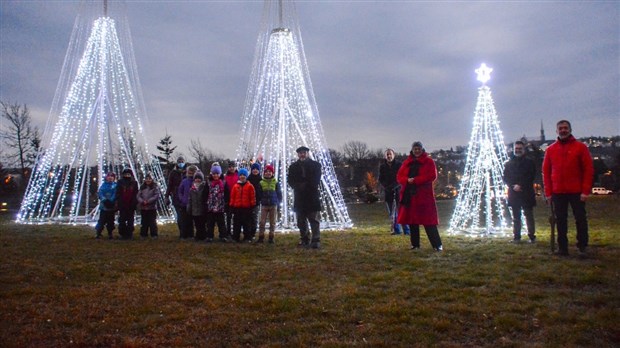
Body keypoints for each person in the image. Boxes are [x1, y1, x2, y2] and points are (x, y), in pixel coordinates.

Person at [543, 120, 594, 256]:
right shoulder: (550, 150)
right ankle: (562, 248)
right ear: (556, 131)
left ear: (570, 130)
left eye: (565, 128)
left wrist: (585, 190)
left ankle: (582, 246)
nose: (563, 130)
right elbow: (546, 173)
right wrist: (548, 193)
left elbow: (588, 170)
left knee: (580, 219)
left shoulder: (581, 147)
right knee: (560, 221)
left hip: (576, 191)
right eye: (560, 128)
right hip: (558, 192)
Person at [397, 141, 443, 251]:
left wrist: (416, 180)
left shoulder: (429, 161)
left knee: (429, 221)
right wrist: (407, 180)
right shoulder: (407, 162)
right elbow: (399, 176)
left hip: (424, 196)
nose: (416, 151)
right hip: (410, 196)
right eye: (415, 149)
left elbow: (432, 175)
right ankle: (415, 244)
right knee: (413, 221)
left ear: (422, 150)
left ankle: (437, 244)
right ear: (412, 150)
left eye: (418, 149)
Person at [288, 146, 322, 249]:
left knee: (314, 219)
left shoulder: (316, 165)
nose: (302, 154)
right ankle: (304, 238)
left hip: (311, 196)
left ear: (307, 153)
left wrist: (306, 185)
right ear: (298, 154)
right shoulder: (293, 167)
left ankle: (316, 240)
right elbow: (290, 180)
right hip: (299, 197)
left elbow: (316, 179)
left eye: (304, 152)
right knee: (301, 220)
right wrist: (298, 186)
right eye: (300, 153)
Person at [504, 141, 537, 243]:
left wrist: (520, 185)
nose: (517, 150)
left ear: (523, 149)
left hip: (526, 192)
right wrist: (513, 185)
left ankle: (532, 236)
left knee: (529, 216)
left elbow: (531, 176)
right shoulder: (508, 163)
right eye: (516, 149)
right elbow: (505, 177)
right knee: (516, 217)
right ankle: (516, 237)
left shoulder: (529, 162)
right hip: (514, 193)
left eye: (519, 148)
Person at [378, 148, 410, 235]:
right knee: (392, 213)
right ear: (385, 156)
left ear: (393, 155)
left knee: (402, 212)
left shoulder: (399, 165)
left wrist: (395, 186)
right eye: (387, 154)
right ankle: (396, 230)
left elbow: (403, 177)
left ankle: (407, 230)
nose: (389, 156)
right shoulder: (382, 167)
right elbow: (381, 179)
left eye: (390, 154)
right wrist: (386, 187)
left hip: (399, 191)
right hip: (388, 192)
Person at [257, 164, 282, 244]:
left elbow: (279, 193)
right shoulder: (261, 183)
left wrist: (278, 202)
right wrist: (261, 200)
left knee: (272, 222)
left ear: (272, 173)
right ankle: (261, 236)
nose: (268, 173)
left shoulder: (275, 182)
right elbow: (259, 193)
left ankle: (271, 237)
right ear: (264, 173)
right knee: (262, 222)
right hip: (264, 205)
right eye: (266, 172)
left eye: (270, 172)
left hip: (273, 205)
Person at [229, 168, 256, 242]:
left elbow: (252, 197)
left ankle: (247, 237)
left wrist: (252, 206)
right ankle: (235, 237)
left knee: (246, 224)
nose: (242, 176)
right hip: (237, 208)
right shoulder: (235, 186)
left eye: (244, 175)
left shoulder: (250, 186)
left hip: (246, 208)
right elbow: (232, 197)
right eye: (240, 175)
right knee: (236, 224)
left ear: (246, 176)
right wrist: (231, 206)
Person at [206, 164, 229, 242]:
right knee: (210, 223)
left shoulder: (224, 183)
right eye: (214, 174)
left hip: (220, 206)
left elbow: (227, 194)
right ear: (211, 174)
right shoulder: (208, 183)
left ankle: (223, 236)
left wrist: (226, 203)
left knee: (221, 222)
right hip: (210, 206)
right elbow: (205, 194)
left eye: (217, 174)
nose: (215, 175)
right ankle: (209, 236)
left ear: (220, 174)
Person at [166, 156, 187, 239]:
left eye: (182, 161)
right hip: (176, 196)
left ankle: (188, 233)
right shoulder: (173, 173)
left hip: (186, 196)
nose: (181, 162)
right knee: (179, 216)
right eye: (179, 161)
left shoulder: (188, 172)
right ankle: (182, 232)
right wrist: (167, 196)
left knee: (186, 216)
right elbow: (170, 185)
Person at [116, 168, 139, 240]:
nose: (127, 175)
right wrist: (120, 202)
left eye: (128, 174)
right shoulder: (120, 182)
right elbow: (118, 193)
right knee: (122, 219)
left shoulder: (134, 183)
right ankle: (122, 233)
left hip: (131, 204)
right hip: (122, 204)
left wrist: (134, 203)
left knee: (130, 220)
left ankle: (129, 233)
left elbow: (136, 193)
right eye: (125, 174)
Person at [177, 165, 198, 239]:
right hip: (184, 204)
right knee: (184, 221)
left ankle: (191, 235)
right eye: (189, 173)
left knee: (191, 221)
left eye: (192, 174)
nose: (191, 175)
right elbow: (180, 191)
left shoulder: (197, 182)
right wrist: (182, 199)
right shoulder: (184, 181)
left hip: (193, 204)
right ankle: (183, 235)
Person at [137, 172, 160, 239]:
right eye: (147, 179)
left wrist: (148, 201)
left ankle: (154, 234)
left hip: (151, 207)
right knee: (144, 222)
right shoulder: (142, 187)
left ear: (152, 179)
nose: (148, 180)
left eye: (149, 179)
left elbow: (156, 196)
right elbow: (138, 196)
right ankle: (143, 234)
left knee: (152, 221)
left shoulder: (155, 187)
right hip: (143, 207)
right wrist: (142, 201)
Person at [95, 172, 117, 239]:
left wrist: (111, 200)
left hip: (112, 206)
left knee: (111, 221)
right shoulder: (103, 185)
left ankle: (110, 233)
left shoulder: (115, 185)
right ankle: (98, 233)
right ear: (106, 177)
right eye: (109, 176)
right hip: (104, 206)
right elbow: (100, 193)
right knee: (102, 220)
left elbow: (115, 193)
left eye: (112, 176)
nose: (110, 177)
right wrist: (104, 200)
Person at [187, 171, 207, 241]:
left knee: (202, 224)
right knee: (197, 224)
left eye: (199, 178)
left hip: (202, 209)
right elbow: (190, 199)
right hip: (194, 209)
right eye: (196, 178)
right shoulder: (192, 189)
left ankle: (203, 235)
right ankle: (198, 235)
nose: (197, 180)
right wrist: (189, 207)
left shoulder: (204, 187)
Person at [224, 161, 239, 240]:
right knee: (228, 217)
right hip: (228, 199)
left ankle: (236, 232)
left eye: (233, 166)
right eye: (230, 167)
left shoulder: (238, 176)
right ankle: (228, 232)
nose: (231, 168)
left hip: (237, 199)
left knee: (236, 217)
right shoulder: (225, 177)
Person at [247, 162, 263, 238]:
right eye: (253, 169)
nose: (255, 170)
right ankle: (248, 233)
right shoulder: (248, 179)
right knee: (248, 217)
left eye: (257, 169)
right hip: (248, 202)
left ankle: (253, 233)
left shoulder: (261, 180)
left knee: (254, 217)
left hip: (256, 202)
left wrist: (259, 199)